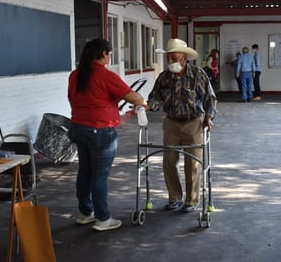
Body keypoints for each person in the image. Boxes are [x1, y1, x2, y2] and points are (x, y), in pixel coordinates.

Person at [67, 38, 147, 231]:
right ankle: (103, 218)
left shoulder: (75, 75)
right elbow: (132, 96)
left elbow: (72, 99)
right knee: (99, 176)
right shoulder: (105, 75)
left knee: (85, 172)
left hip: (78, 127)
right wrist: (142, 103)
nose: (110, 57)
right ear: (103, 53)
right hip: (100, 131)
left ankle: (86, 213)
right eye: (109, 54)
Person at [148, 38, 217, 212]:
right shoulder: (164, 77)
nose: (170, 62)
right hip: (171, 123)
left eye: (174, 58)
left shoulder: (198, 74)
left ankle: (191, 201)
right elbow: (154, 97)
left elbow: (210, 98)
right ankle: (175, 198)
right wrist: (148, 105)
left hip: (193, 123)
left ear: (184, 59)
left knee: (192, 163)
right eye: (169, 58)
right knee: (169, 161)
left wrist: (209, 117)